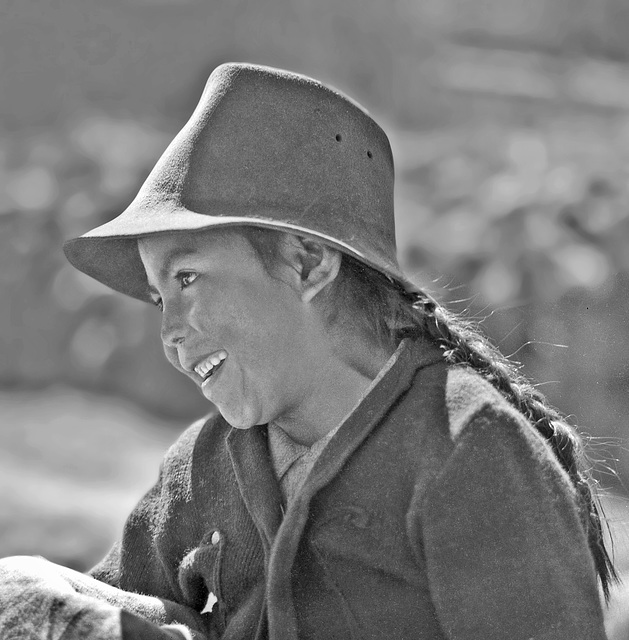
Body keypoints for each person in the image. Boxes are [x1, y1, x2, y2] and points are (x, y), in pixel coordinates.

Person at [0, 62, 616, 640]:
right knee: (22, 593)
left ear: (306, 262)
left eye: (186, 279)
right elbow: (108, 602)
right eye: (160, 300)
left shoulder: (468, 449)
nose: (171, 334)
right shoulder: (205, 465)